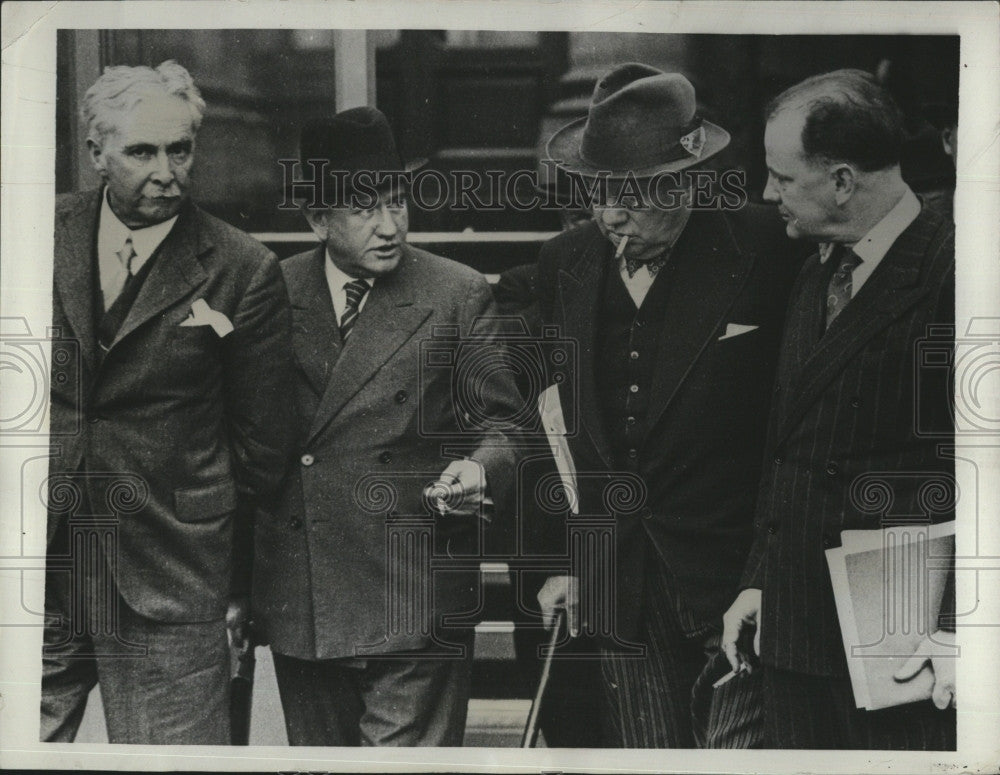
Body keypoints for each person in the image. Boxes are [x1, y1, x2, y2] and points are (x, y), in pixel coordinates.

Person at [532, 62, 802, 748]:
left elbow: (797, 422)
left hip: (734, 576)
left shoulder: (770, 249)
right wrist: (564, 559)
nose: (609, 215)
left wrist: (767, 572)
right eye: (597, 192)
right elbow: (550, 426)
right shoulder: (562, 262)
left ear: (686, 180)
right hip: (619, 584)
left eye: (630, 194)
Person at [252, 106, 524, 747]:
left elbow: (506, 424)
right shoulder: (268, 291)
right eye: (363, 207)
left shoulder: (455, 292)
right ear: (318, 219)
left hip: (413, 586)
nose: (389, 224)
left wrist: (479, 467)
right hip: (304, 591)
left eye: (397, 201)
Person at [43, 60, 295, 744]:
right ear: (96, 152)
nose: (166, 171)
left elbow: (263, 447)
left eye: (179, 150)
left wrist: (233, 585)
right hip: (38, 565)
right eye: (141, 151)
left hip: (170, 576)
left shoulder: (242, 269)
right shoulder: (33, 235)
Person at [721, 69, 956, 749]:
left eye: (783, 178)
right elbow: (792, 447)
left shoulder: (957, 269)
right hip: (797, 636)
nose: (769, 195)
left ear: (844, 181)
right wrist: (760, 583)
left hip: (907, 650)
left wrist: (958, 627)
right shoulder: (818, 268)